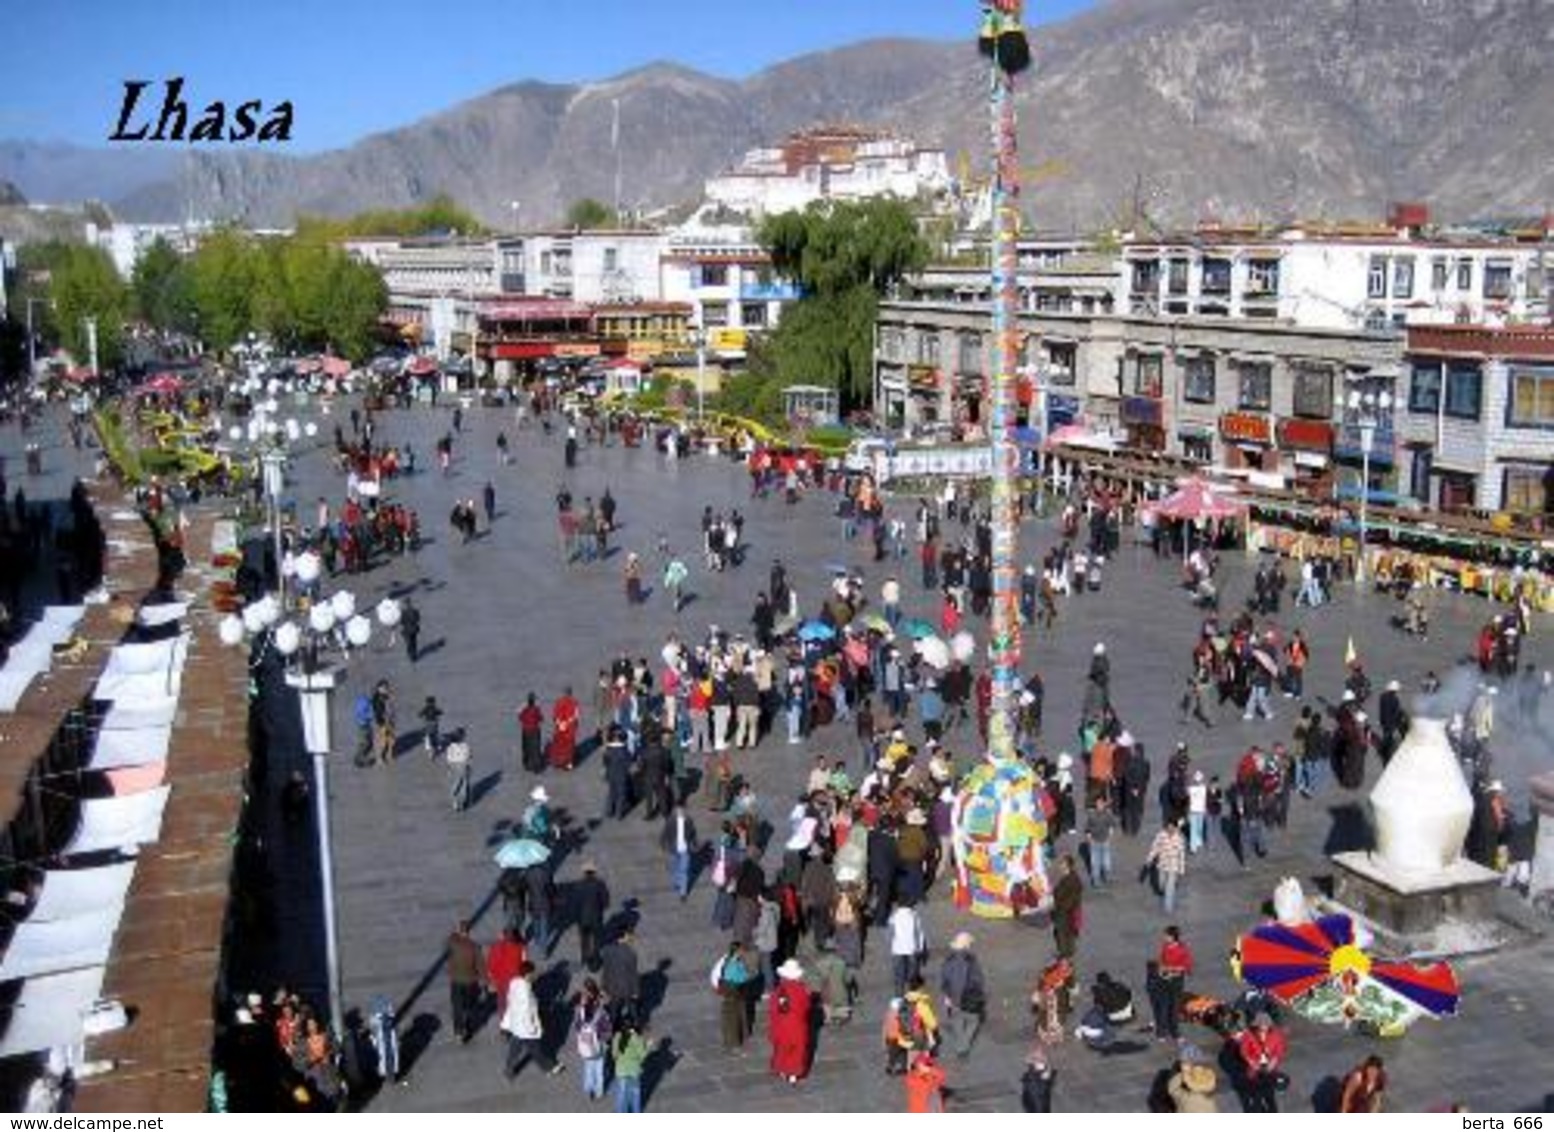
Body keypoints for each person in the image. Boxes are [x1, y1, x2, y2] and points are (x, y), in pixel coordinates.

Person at [939, 931, 987, 1059]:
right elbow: (977, 979)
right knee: (973, 1021)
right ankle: (963, 1046)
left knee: (957, 1020)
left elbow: (945, 979)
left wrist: (947, 996)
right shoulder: (971, 960)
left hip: (953, 998)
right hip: (968, 997)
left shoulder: (949, 960)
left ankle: (961, 1043)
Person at [767, 958, 814, 1085]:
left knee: (781, 1048)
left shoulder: (777, 991)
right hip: (797, 1026)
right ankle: (793, 1074)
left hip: (780, 1026)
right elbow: (806, 1007)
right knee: (797, 1050)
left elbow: (772, 1010)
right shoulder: (801, 990)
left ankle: (781, 1070)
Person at [1237, 1011, 1287, 1113]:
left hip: (1270, 1069)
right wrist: (1251, 1061)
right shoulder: (1249, 1035)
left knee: (1270, 1095)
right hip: (1254, 1070)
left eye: (1267, 1024)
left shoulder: (1276, 1034)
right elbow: (1244, 1050)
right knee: (1256, 1095)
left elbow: (1280, 1049)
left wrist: (1274, 1060)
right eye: (1262, 1024)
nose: (1264, 1027)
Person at [573, 978, 613, 1102]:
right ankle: (598, 1092)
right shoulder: (600, 1012)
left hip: (585, 1046)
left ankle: (588, 1087)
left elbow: (577, 1027)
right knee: (599, 1070)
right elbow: (607, 1030)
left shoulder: (581, 1011)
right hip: (598, 1045)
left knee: (588, 1067)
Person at [445, 920, 484, 1044]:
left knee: (457, 1006)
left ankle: (458, 1032)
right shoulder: (475, 946)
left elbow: (449, 939)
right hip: (470, 981)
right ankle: (467, 1027)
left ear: (459, 931)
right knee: (469, 1006)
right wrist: (487, 981)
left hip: (456, 980)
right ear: (469, 932)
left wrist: (456, 933)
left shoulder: (452, 943)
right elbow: (481, 966)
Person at [1155, 925, 1193, 1043]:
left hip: (1176, 981)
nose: (1164, 937)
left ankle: (1175, 1033)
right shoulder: (1165, 947)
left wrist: (1172, 970)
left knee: (1175, 1008)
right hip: (1164, 980)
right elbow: (1161, 960)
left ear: (1173, 937)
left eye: (1167, 935)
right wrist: (1161, 971)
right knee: (1164, 1007)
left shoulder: (1183, 949)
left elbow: (1187, 966)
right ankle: (1161, 1032)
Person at [572, 862, 610, 972]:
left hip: (582, 918)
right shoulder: (600, 884)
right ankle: (595, 964)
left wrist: (576, 917)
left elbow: (575, 904)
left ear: (584, 872)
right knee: (597, 940)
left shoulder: (578, 885)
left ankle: (585, 958)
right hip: (596, 917)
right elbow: (606, 902)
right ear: (594, 872)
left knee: (585, 940)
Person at [599, 928, 642, 1027]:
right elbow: (633, 975)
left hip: (612, 987)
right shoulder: (630, 953)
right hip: (627, 988)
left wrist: (603, 987)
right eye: (628, 936)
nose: (631, 938)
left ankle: (612, 1028)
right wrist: (636, 992)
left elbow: (606, 970)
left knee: (613, 1010)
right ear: (623, 937)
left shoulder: (607, 950)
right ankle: (635, 1025)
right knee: (632, 1008)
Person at [1145, 820, 1188, 913]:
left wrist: (1182, 870)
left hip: (1174, 866)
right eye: (1169, 827)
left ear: (1176, 828)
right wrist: (1149, 859)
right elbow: (1154, 848)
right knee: (1162, 885)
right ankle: (1164, 895)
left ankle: (1168, 908)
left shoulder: (1179, 838)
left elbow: (1182, 855)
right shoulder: (1160, 835)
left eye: (1172, 827)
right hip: (1162, 865)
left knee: (1170, 887)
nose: (1170, 829)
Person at [611, 1019, 650, 1112]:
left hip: (621, 1071)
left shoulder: (617, 1037)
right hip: (634, 1070)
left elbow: (614, 1055)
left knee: (621, 1096)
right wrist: (648, 1046)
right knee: (635, 1094)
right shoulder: (636, 1038)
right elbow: (642, 1055)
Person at [660, 804, 698, 900]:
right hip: (674, 848)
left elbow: (693, 834)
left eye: (682, 811)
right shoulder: (670, 821)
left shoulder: (689, 821)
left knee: (684, 870)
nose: (681, 813)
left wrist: (694, 844)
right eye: (678, 811)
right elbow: (665, 833)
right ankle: (677, 882)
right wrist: (663, 844)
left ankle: (683, 893)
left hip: (685, 849)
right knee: (674, 867)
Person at [1051, 854, 1083, 958]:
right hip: (1065, 910)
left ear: (1067, 865)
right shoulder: (1067, 877)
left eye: (1062, 863)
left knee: (1064, 933)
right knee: (1063, 932)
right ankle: (1067, 952)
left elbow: (1072, 897)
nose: (1060, 865)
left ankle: (1065, 954)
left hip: (1066, 912)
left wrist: (1061, 908)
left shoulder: (1072, 879)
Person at [550, 687, 580, 770]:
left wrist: (560, 723)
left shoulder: (559, 702)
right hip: (570, 728)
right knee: (569, 746)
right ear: (571, 693)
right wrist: (568, 723)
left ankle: (557, 761)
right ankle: (568, 763)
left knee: (559, 745)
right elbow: (576, 716)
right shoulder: (575, 703)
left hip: (560, 728)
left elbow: (555, 715)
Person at [1020, 1045, 1056, 1113]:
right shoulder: (1033, 1069)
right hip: (1030, 1101)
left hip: (1037, 1105)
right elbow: (1027, 1060)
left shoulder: (1044, 1075)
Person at [444, 731, 472, 812]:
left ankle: (455, 800)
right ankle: (463, 802)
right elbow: (469, 756)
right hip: (463, 766)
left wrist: (448, 769)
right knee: (464, 784)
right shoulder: (465, 746)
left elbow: (448, 759)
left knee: (455, 783)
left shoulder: (450, 747)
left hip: (453, 766)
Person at [400, 597, 421, 662]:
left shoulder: (403, 612)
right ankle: (413, 654)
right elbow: (418, 619)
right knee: (413, 641)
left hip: (407, 629)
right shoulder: (415, 610)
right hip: (413, 629)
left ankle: (411, 654)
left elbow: (402, 622)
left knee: (409, 642)